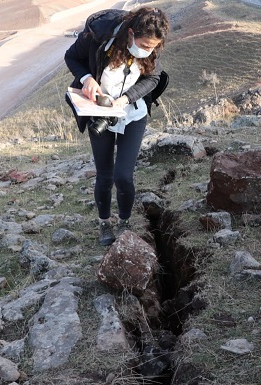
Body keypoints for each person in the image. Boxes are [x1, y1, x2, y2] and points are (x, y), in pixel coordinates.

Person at [64, 7, 170, 246]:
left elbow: (153, 78)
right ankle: (104, 223)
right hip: (98, 111)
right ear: (131, 33)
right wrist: (86, 78)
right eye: (143, 45)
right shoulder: (99, 36)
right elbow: (71, 56)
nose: (148, 51)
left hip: (131, 113)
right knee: (104, 175)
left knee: (123, 176)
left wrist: (125, 99)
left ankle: (124, 222)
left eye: (153, 47)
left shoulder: (152, 49)